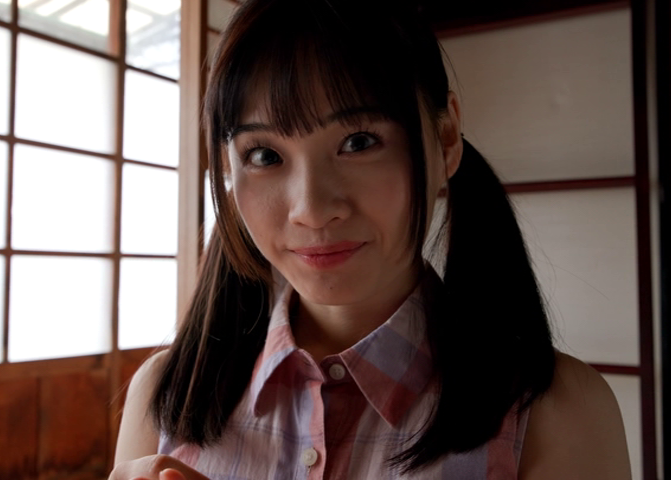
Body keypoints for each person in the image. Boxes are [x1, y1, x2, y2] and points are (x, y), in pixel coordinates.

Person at [109, 0, 632, 478]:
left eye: (359, 142)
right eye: (264, 155)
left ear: (445, 138)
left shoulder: (555, 412)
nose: (311, 210)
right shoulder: (165, 394)